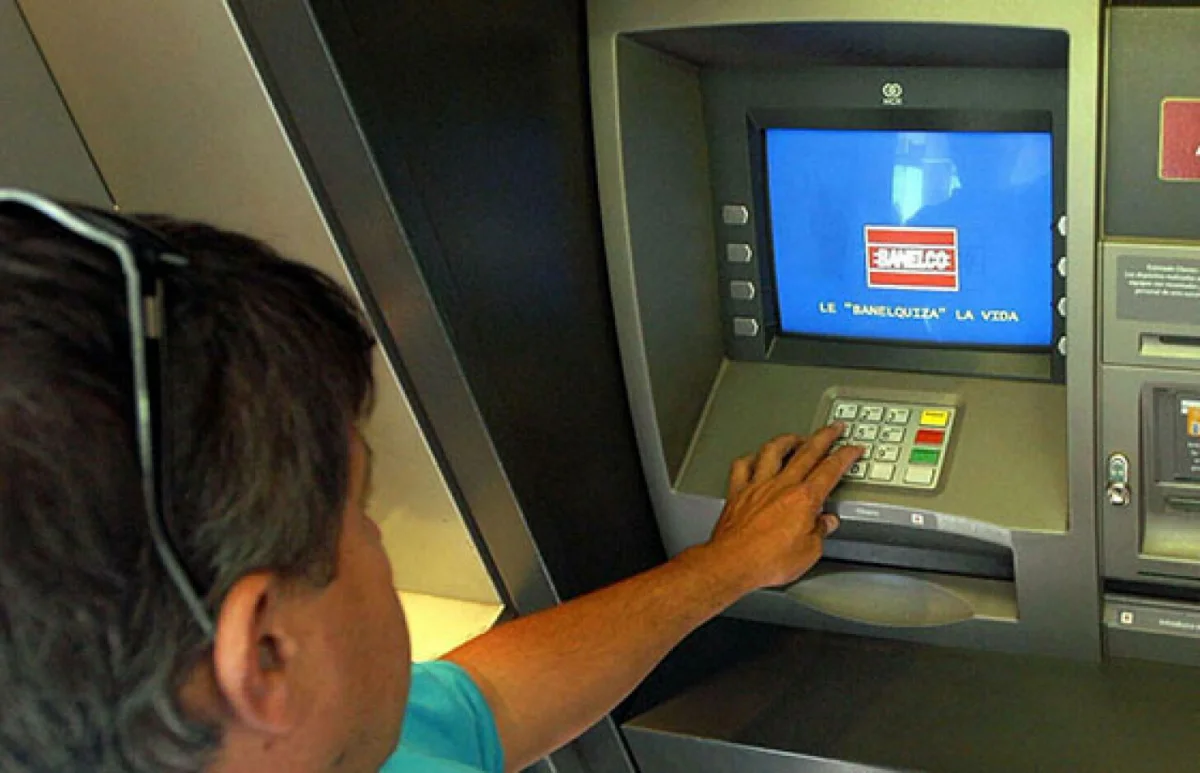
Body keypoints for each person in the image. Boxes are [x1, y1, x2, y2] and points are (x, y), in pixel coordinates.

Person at [0, 190, 863, 773]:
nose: (377, 541)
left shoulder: (312, 738)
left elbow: (487, 705)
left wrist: (726, 566)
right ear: (263, 655)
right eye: (358, 512)